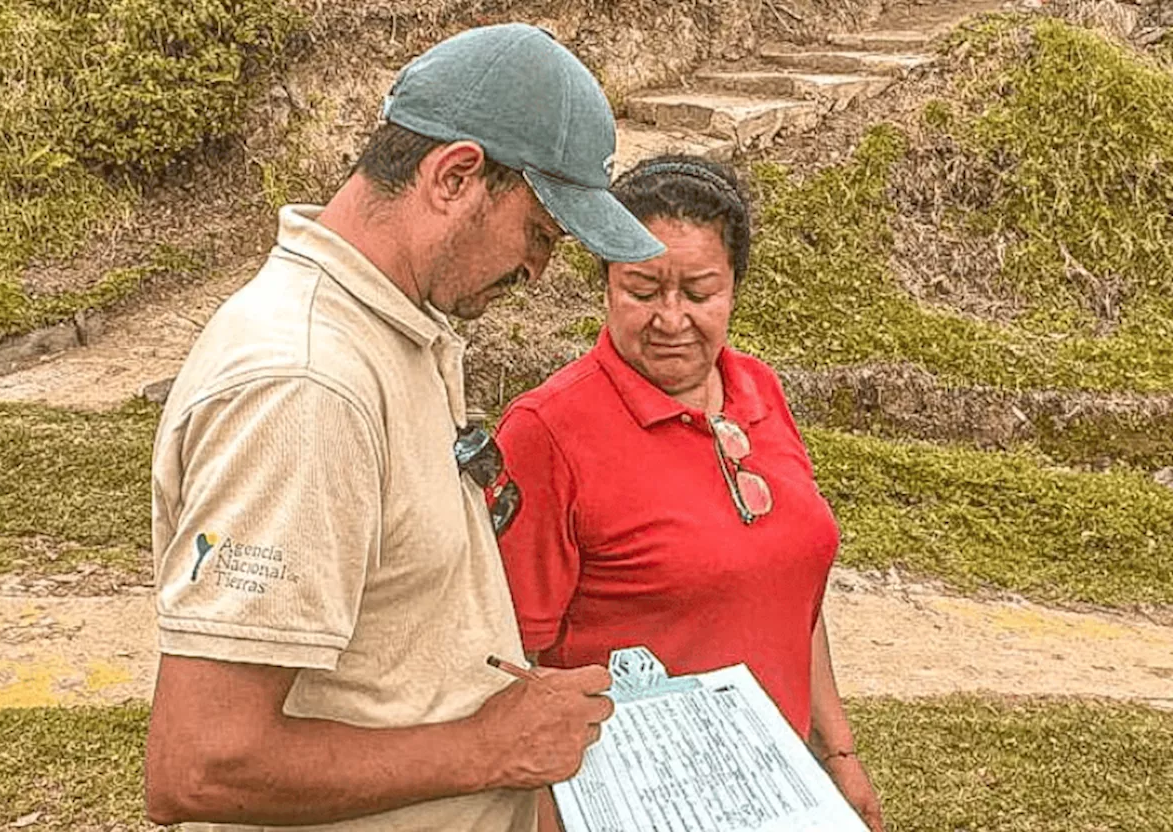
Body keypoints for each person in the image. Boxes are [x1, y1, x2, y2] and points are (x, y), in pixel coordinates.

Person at [143, 24, 666, 832]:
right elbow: (204, 762)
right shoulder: (308, 385)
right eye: (539, 234)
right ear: (456, 175)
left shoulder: (390, 328)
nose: (536, 270)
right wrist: (491, 749)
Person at [494, 155, 886, 831]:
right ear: (607, 285)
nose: (671, 319)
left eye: (699, 292)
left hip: (775, 796)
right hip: (633, 802)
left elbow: (795, 596)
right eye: (642, 290)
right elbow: (508, 667)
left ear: (735, 289)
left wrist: (838, 752)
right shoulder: (547, 432)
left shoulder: (759, 390)